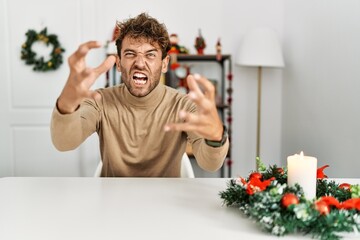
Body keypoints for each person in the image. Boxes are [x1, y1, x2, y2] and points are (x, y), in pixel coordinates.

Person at [51, 12, 229, 177]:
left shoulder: (183, 105)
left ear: (164, 63)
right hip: (112, 202)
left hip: (167, 203)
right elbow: (64, 143)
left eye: (150, 55)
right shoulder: (100, 100)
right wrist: (67, 104)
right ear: (119, 63)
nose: (140, 63)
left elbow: (210, 164)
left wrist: (215, 137)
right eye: (130, 54)